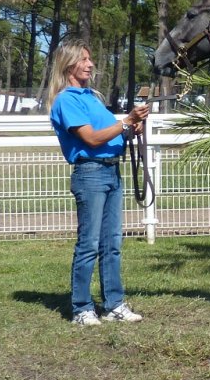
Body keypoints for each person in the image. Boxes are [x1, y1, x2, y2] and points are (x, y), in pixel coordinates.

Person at [43, 37, 151, 326]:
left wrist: (130, 129)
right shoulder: (67, 100)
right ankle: (82, 308)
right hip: (90, 173)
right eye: (84, 59)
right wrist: (126, 121)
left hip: (110, 172)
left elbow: (110, 133)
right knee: (89, 244)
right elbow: (90, 138)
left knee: (112, 243)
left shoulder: (91, 97)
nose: (90, 64)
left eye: (89, 59)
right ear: (69, 65)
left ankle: (113, 304)